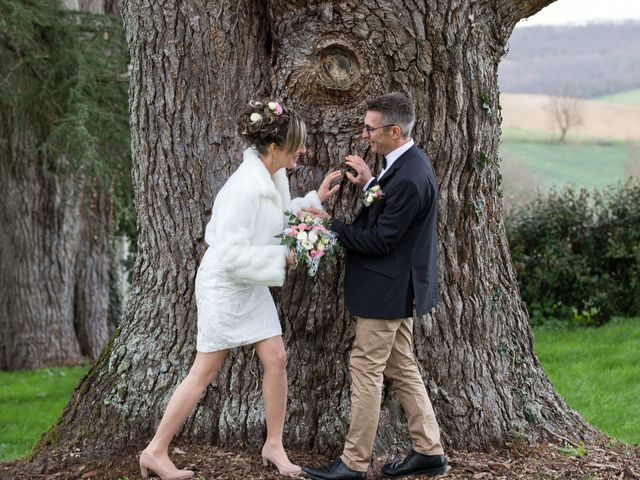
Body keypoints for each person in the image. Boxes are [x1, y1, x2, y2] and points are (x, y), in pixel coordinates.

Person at [139, 100, 342, 480]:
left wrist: (314, 201)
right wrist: (282, 259)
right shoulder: (243, 188)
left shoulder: (271, 176)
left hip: (248, 283)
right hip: (224, 284)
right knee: (204, 370)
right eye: (298, 145)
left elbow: (276, 220)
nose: (303, 151)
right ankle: (155, 450)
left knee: (276, 358)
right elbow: (231, 254)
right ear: (275, 147)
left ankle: (274, 445)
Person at [302, 92, 447, 480]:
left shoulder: (411, 177)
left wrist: (329, 224)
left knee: (366, 369)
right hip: (398, 288)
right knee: (402, 367)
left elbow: (381, 240)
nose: (365, 135)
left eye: (370, 128)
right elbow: (391, 210)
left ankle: (353, 463)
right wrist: (370, 183)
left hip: (387, 291)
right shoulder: (403, 166)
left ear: (394, 131)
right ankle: (429, 450)